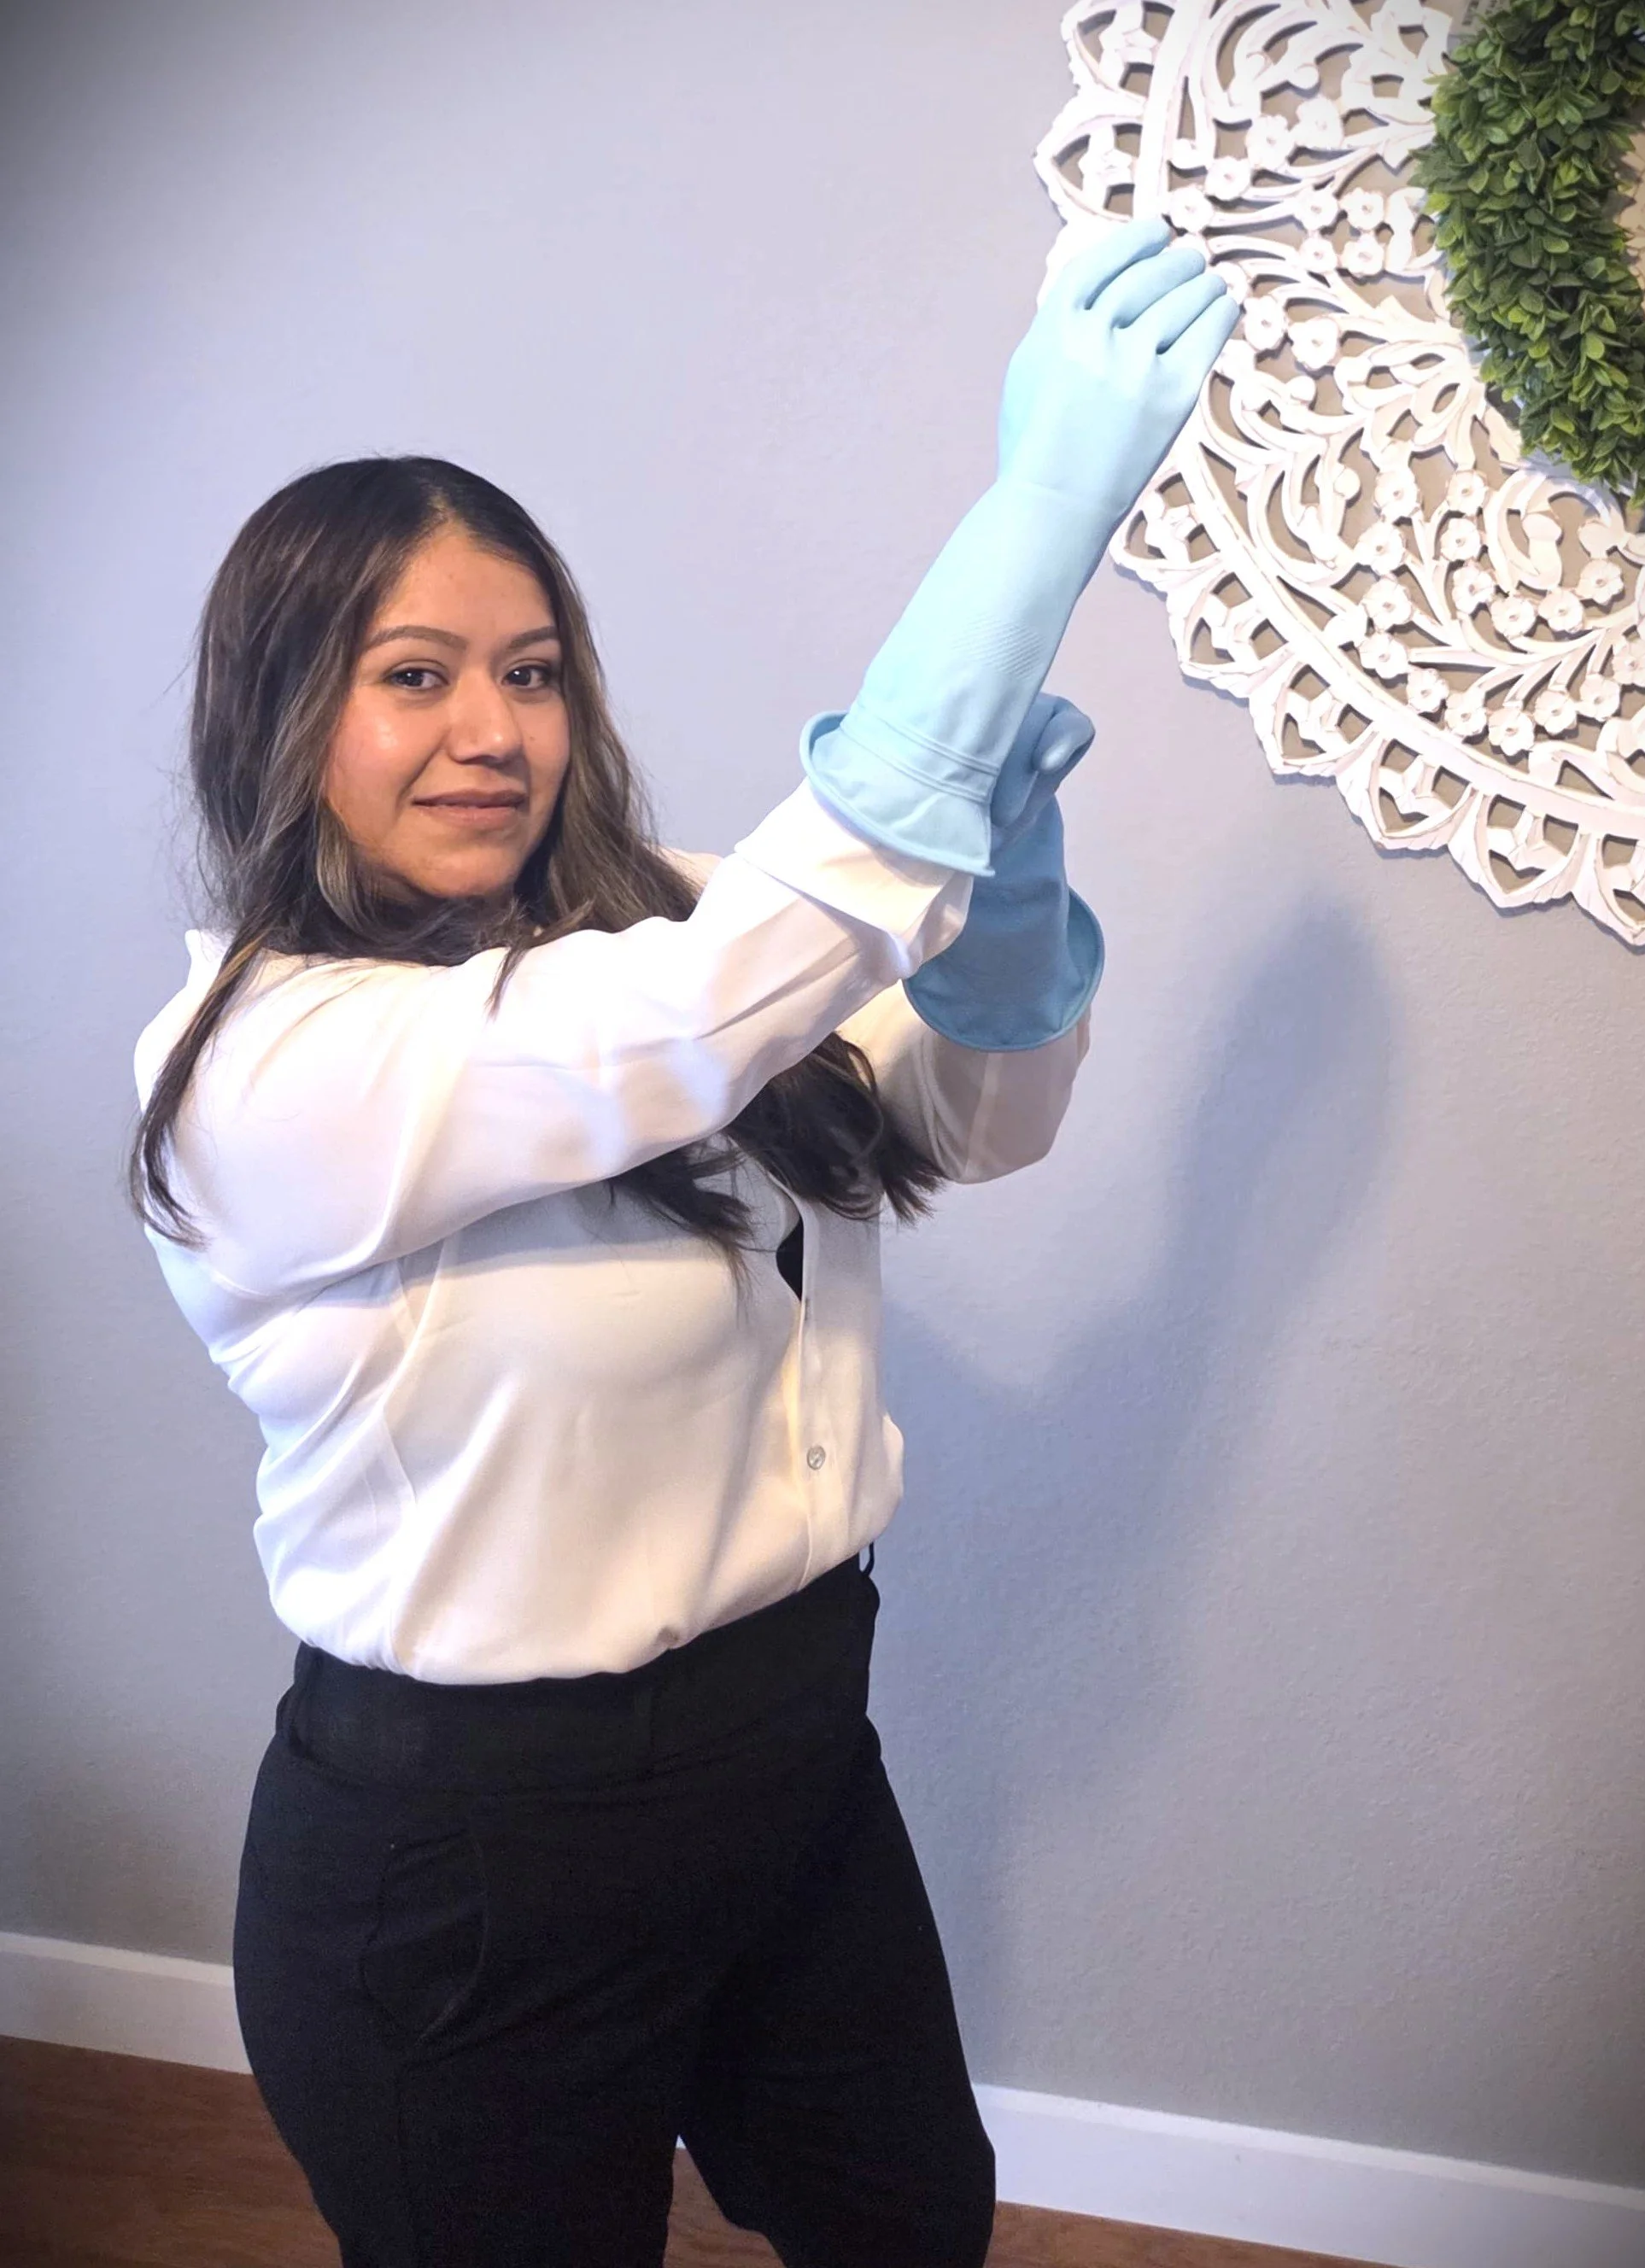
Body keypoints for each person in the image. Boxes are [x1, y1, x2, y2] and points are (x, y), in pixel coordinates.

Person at [130, 223, 1237, 2268]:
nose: (493, 728)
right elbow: (702, 1012)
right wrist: (1037, 517)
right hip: (474, 1856)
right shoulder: (267, 1067)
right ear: (284, 714)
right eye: (414, 675)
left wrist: (1005, 920)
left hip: (797, 1749)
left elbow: (969, 1125)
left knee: (907, 2217)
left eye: (531, 672)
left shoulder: (676, 921)